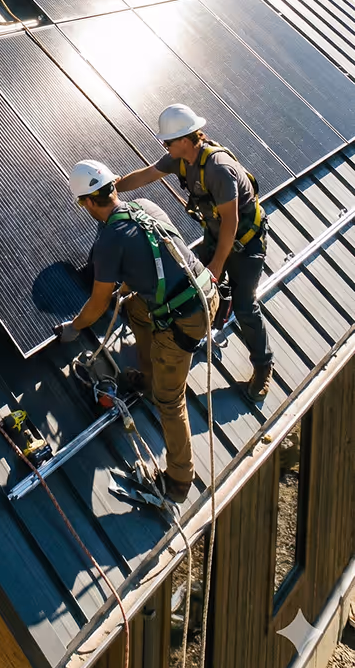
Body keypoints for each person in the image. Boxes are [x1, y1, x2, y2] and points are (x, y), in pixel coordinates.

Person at [55, 159, 218, 504]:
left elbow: (98, 303)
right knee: (136, 308)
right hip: (205, 290)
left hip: (188, 316)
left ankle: (179, 480)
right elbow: (157, 257)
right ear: (113, 187)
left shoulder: (109, 241)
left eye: (82, 203)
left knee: (170, 400)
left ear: (88, 202)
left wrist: (74, 327)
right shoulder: (145, 206)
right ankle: (148, 377)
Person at [116, 104, 274, 404]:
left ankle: (264, 366)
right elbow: (148, 174)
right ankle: (189, 332)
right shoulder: (181, 159)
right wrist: (113, 189)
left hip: (245, 244)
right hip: (216, 237)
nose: (165, 146)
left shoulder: (218, 168)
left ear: (186, 139)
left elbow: (231, 222)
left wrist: (215, 266)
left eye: (168, 141)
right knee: (185, 284)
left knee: (245, 307)